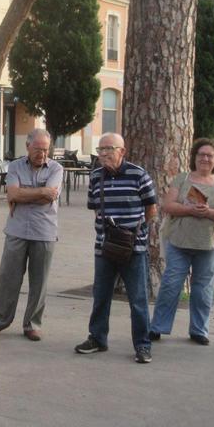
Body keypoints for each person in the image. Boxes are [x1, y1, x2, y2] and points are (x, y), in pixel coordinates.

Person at [73, 133, 158, 363]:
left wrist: (137, 232)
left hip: (134, 248)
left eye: (108, 149)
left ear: (122, 151)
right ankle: (97, 338)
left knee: (138, 299)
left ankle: (142, 345)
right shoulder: (96, 176)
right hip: (104, 247)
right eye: (100, 150)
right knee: (100, 295)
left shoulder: (138, 175)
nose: (103, 154)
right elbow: (95, 208)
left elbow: (151, 209)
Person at [149, 138, 214, 345]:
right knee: (171, 284)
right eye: (201, 155)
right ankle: (158, 326)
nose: (205, 158)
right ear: (194, 158)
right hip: (179, 241)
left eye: (209, 155)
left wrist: (209, 212)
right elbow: (168, 205)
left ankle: (199, 330)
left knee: (203, 288)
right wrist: (189, 209)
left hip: (209, 243)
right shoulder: (182, 178)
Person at [0, 129, 63, 341]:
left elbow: (49, 197)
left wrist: (24, 195)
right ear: (27, 147)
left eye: (46, 150)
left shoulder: (56, 169)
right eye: (38, 150)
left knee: (39, 281)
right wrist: (41, 191)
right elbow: (13, 193)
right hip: (16, 231)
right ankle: (1, 320)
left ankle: (32, 325)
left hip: (44, 232)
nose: (42, 154)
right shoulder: (15, 166)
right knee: (8, 277)